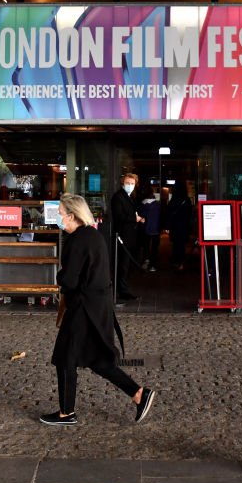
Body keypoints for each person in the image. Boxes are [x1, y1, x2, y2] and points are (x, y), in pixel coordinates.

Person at [41, 193, 156, 426]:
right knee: (97, 359)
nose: (59, 218)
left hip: (83, 308)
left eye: (61, 214)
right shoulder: (92, 235)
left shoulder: (77, 240)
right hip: (96, 307)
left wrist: (59, 275)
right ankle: (138, 394)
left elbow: (70, 280)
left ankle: (66, 413)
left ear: (72, 216)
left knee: (65, 357)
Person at [109, 173, 143, 300]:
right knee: (122, 264)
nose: (130, 186)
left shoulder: (129, 196)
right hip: (122, 236)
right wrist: (135, 218)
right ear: (123, 183)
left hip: (130, 236)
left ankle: (123, 289)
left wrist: (138, 218)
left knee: (127, 265)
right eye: (128, 183)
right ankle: (121, 291)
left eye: (132, 184)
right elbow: (119, 217)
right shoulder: (118, 197)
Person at [166, 181, 193, 270]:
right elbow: (190, 215)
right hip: (184, 226)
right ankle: (181, 263)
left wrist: (168, 226)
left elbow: (169, 213)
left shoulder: (173, 200)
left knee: (175, 245)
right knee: (182, 246)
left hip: (175, 226)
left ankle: (176, 262)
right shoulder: (187, 200)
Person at [139, 186, 161, 272]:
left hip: (144, 229)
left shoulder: (141, 205)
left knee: (146, 247)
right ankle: (153, 265)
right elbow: (160, 217)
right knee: (154, 248)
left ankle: (146, 261)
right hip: (156, 229)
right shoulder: (157, 205)